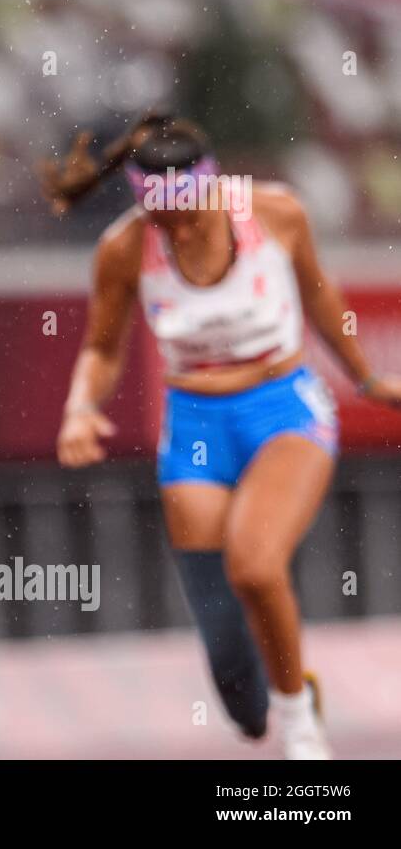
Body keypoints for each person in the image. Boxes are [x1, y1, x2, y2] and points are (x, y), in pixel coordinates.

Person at [43, 112, 401, 759]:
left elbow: (323, 298)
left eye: (190, 213)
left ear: (213, 187)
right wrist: (79, 407)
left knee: (256, 564)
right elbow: (102, 346)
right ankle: (269, 707)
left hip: (282, 410)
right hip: (196, 429)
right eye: (164, 218)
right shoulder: (124, 250)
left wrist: (367, 377)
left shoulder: (275, 213)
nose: (178, 229)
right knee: (235, 677)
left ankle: (303, 724)